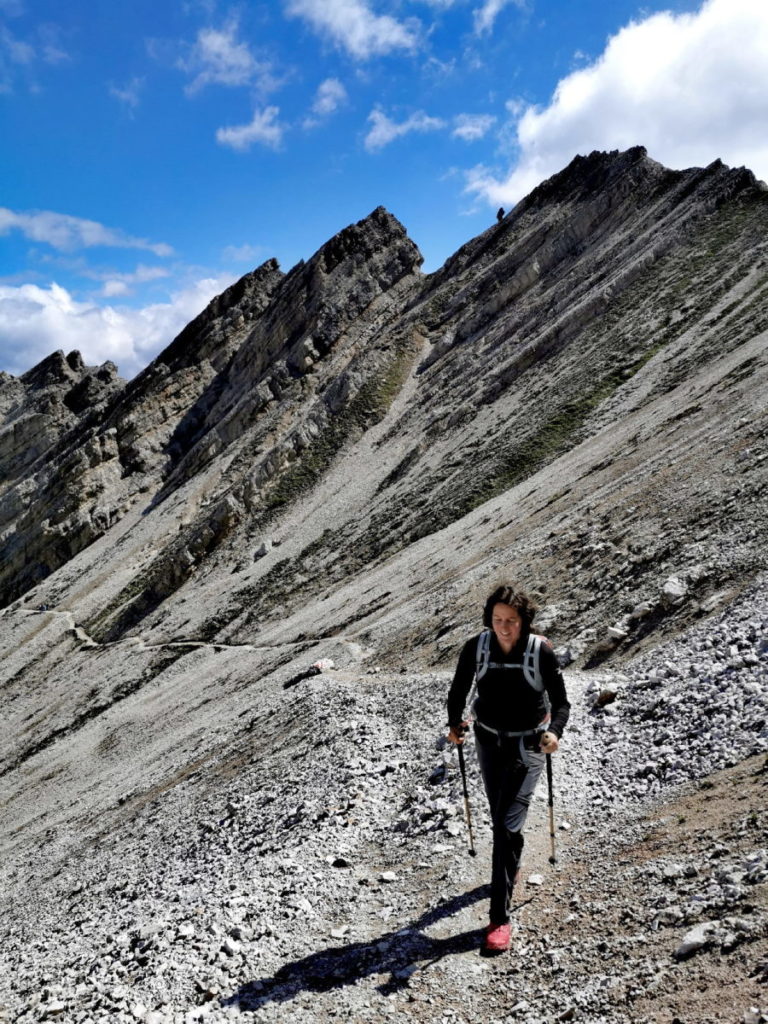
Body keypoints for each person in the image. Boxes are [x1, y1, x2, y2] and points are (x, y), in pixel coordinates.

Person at [447, 584, 570, 953]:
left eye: (511, 621)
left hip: (527, 745)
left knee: (502, 825)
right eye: (498, 620)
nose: (504, 627)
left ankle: (499, 919)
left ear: (524, 622)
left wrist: (554, 733)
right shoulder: (477, 647)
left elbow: (562, 703)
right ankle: (510, 864)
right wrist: (455, 724)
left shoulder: (540, 651)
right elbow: (458, 690)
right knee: (503, 819)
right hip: (488, 741)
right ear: (490, 619)